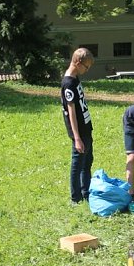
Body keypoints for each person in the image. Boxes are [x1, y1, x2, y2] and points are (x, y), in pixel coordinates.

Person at [61, 47, 94, 203]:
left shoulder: (75, 79)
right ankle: (76, 198)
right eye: (86, 67)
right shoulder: (68, 84)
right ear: (78, 62)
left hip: (86, 128)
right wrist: (77, 138)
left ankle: (85, 192)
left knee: (87, 162)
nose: (87, 70)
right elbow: (71, 113)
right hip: (79, 132)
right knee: (77, 165)